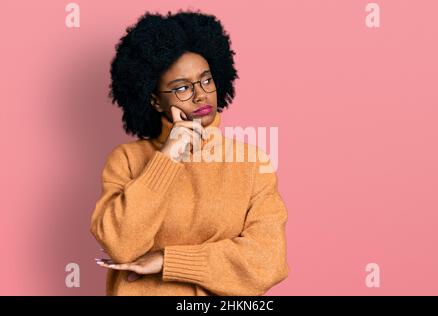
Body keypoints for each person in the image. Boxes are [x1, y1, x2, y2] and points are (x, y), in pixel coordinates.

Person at [90, 9, 289, 296]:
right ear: (155, 101)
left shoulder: (251, 162)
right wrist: (168, 158)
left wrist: (168, 261)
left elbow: (268, 261)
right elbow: (121, 245)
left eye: (206, 80)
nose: (200, 94)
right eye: (182, 87)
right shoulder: (126, 160)